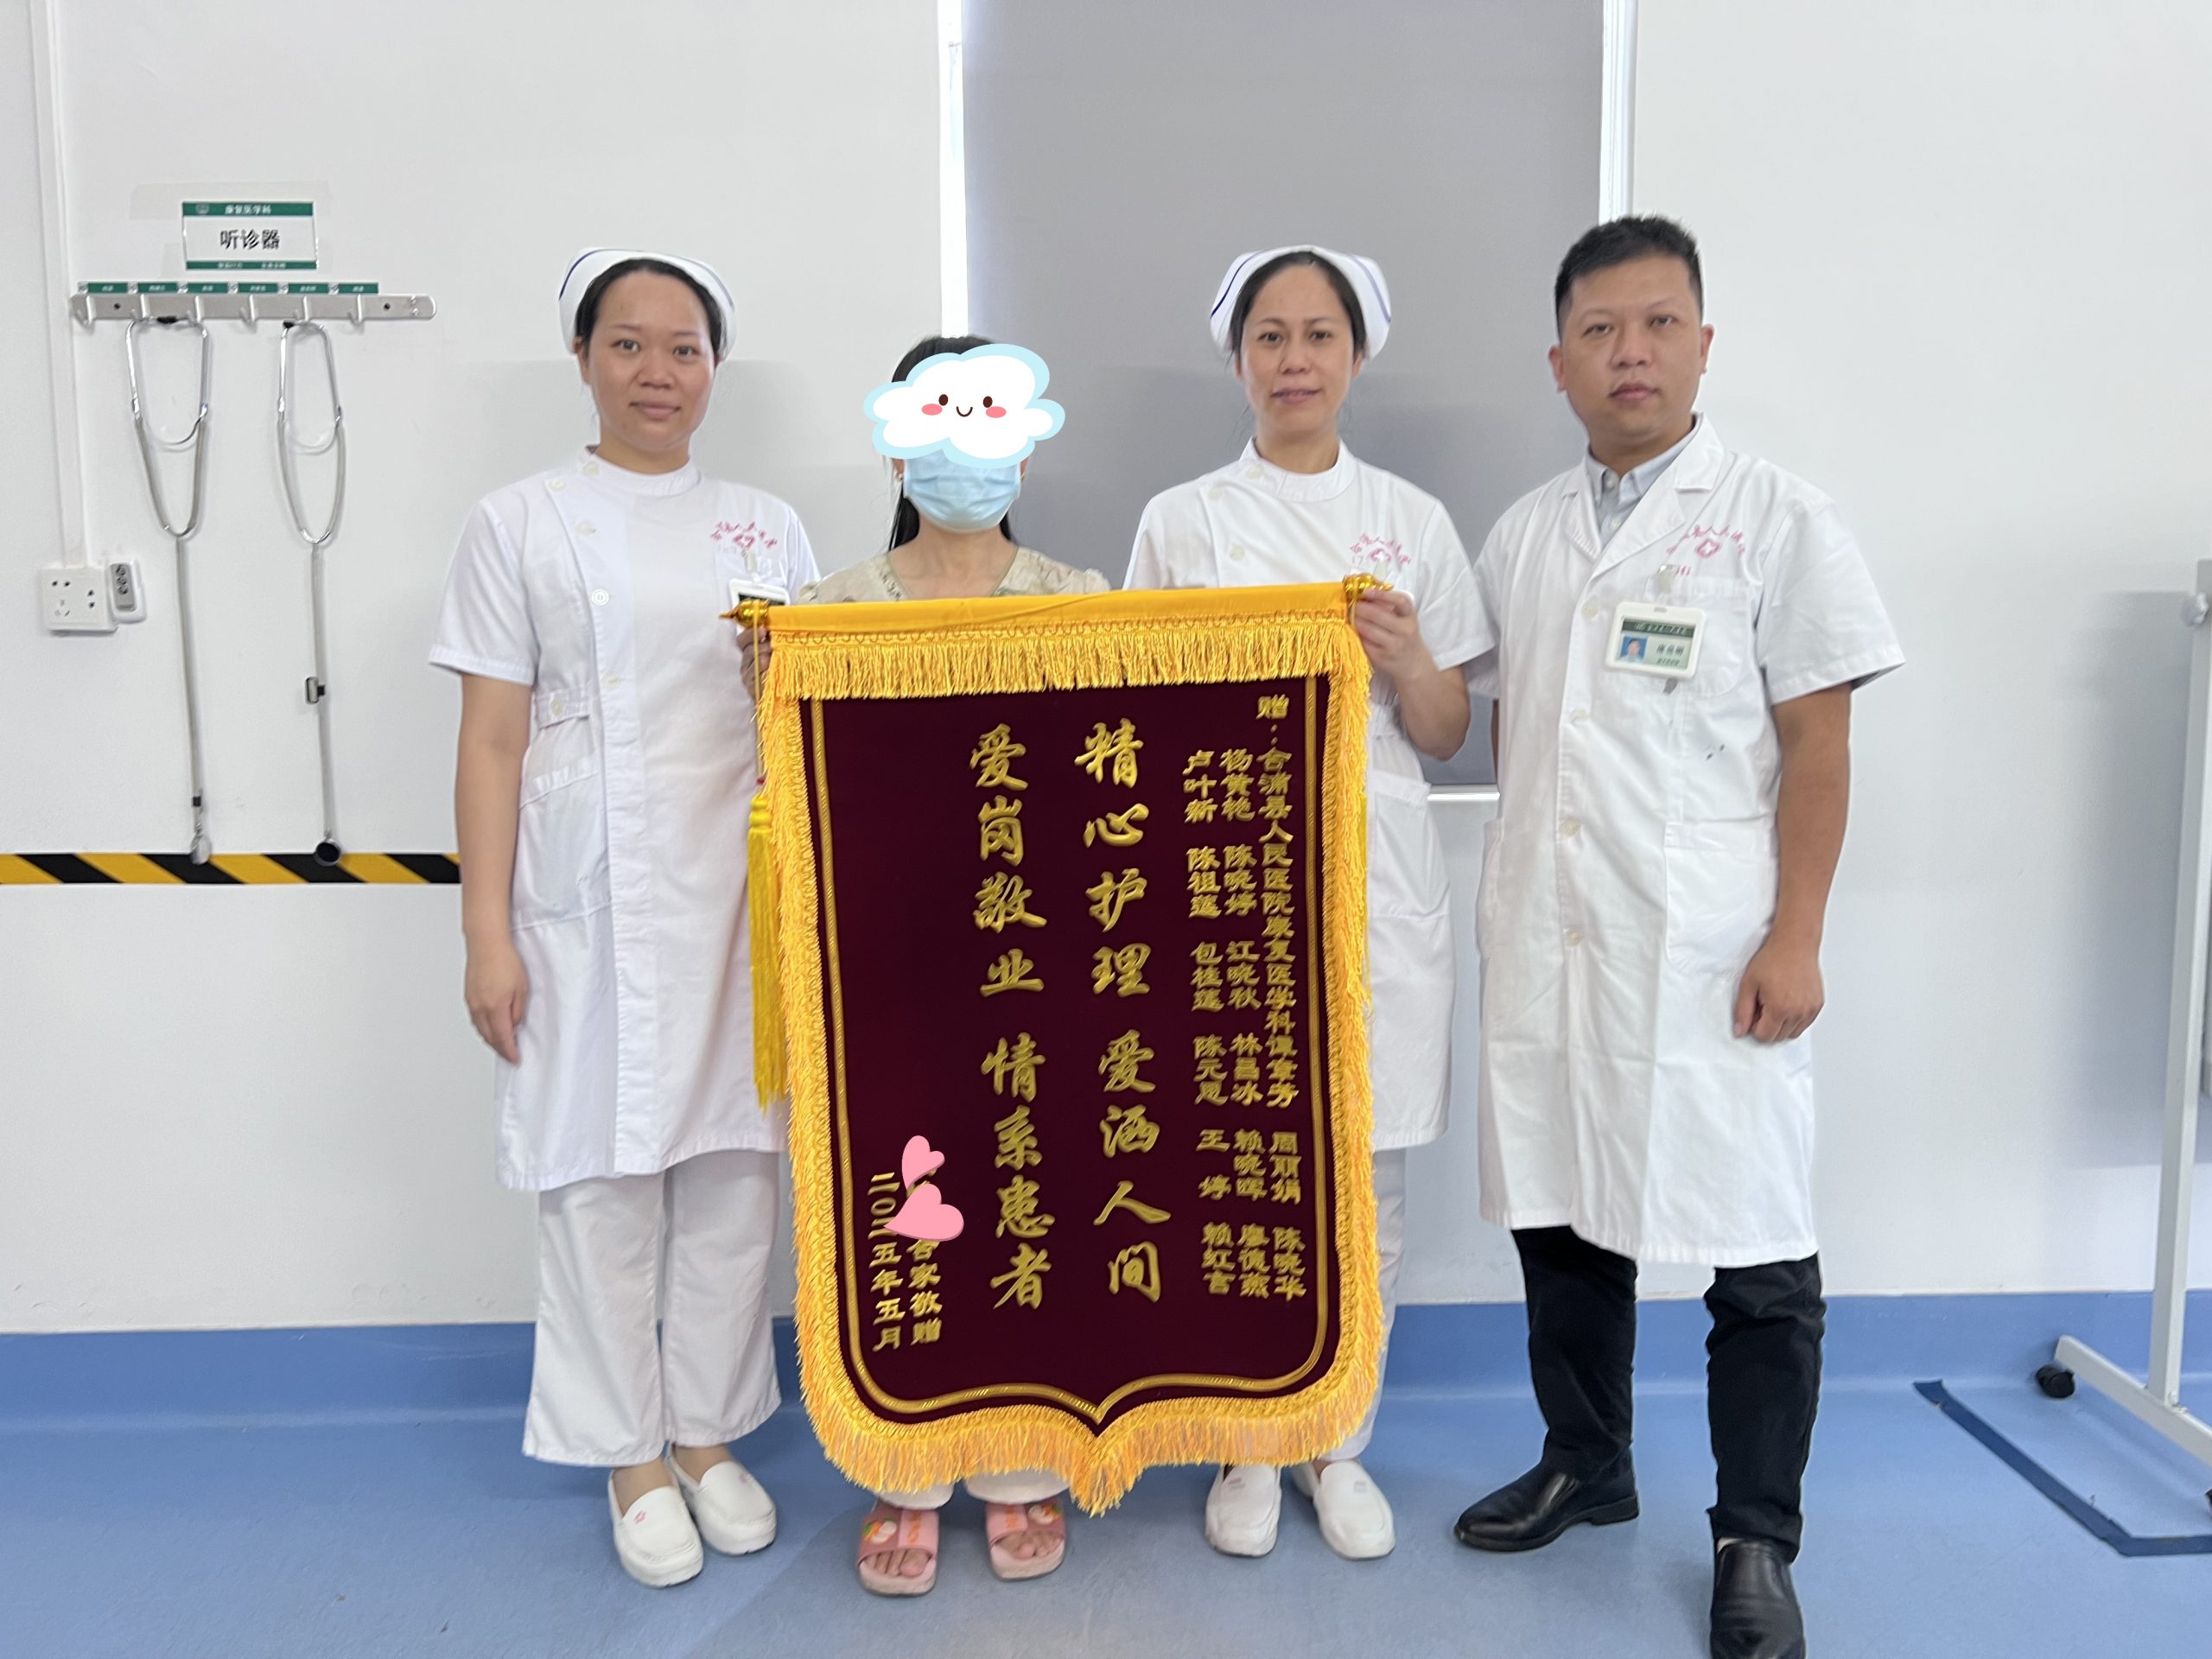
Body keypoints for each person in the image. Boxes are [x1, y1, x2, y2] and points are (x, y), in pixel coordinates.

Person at [1452, 216, 1903, 1659]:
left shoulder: (1778, 518)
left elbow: (1818, 744)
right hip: (1554, 942)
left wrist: (1798, 935)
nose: (1629, 353)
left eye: (1657, 325)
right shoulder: (1523, 533)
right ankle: (1588, 1465)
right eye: (1600, 330)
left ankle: (1755, 1539)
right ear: (1560, 362)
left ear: (1704, 345)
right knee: (1563, 1213)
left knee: (1755, 1249)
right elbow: (1516, 729)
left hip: (1713, 950)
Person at [431, 248, 820, 1589]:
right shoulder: (520, 523)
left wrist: (781, 683)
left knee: (734, 1170)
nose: (659, 373)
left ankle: (708, 1433)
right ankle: (629, 1454)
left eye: (684, 348)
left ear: (715, 368)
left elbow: (808, 722)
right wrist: (487, 935)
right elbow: (491, 743)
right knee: (597, 1178)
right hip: (584, 905)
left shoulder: (766, 527)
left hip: (740, 898)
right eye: (630, 345)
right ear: (585, 358)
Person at [1126, 246, 1484, 1562]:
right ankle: (1246, 1439)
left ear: (1356, 355)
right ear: (1237, 361)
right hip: (1225, 868)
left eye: (1319, 334)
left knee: (1366, 1178)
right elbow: (1134, 712)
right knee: (1237, 1162)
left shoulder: (1412, 520)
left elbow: (1448, 731)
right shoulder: (1180, 521)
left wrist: (1412, 656)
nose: (1294, 360)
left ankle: (1337, 1440)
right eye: (1269, 336)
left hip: (1375, 875)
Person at [803, 333, 1106, 1594]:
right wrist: (772, 685)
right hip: (889, 963)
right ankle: (910, 1464)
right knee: (904, 1198)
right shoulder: (828, 612)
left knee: (1030, 1190)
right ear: (898, 446)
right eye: (941, 422)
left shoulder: (1084, 601)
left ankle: (1023, 1465)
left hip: (1037, 959)